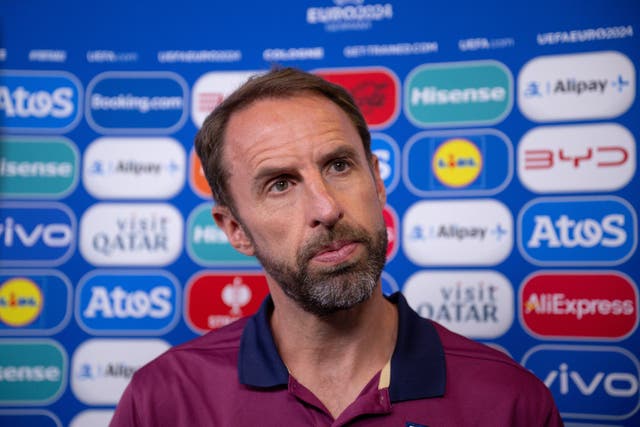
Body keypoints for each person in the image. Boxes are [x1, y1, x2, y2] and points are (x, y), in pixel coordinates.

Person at [110, 67, 563, 426]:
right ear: (235, 230)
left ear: (377, 181)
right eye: (280, 184)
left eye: (340, 166)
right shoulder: (163, 399)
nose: (326, 209)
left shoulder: (511, 401)